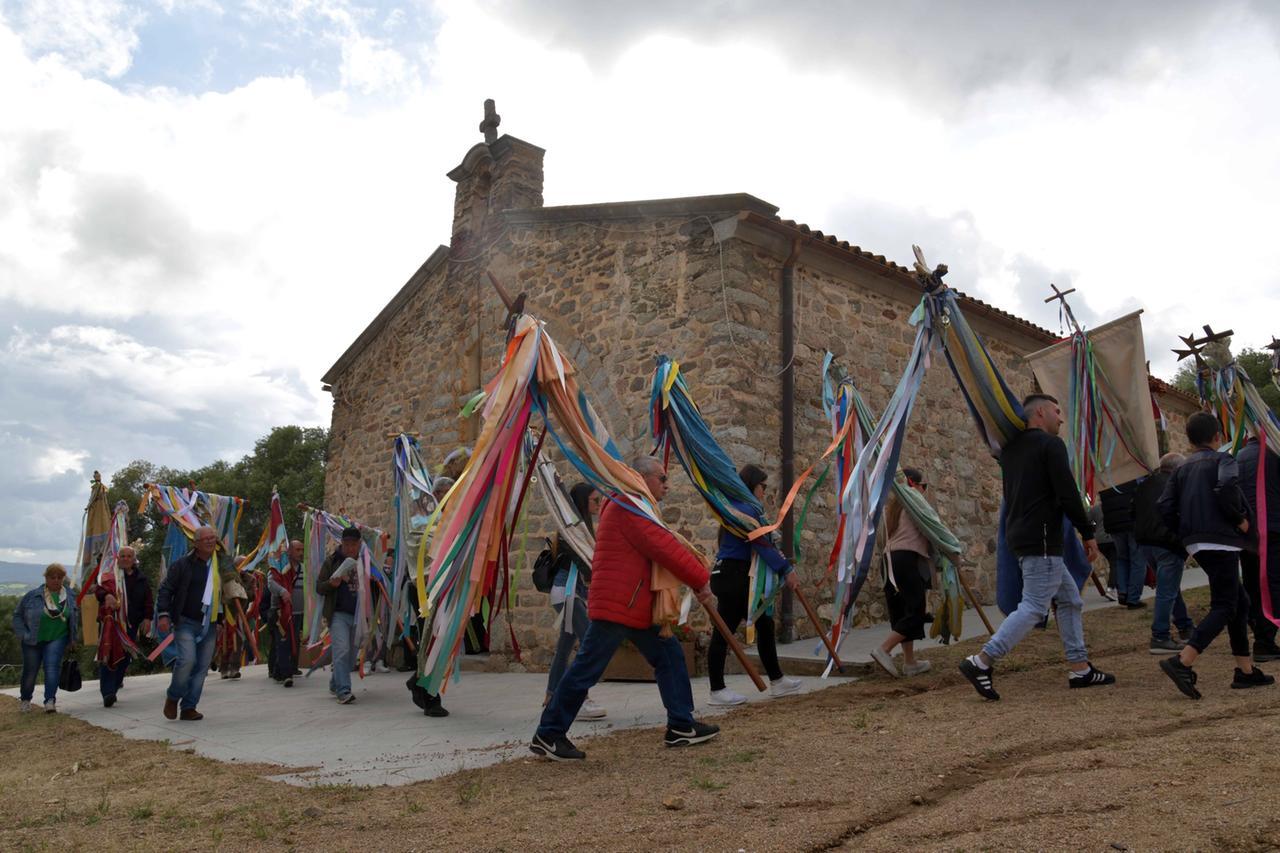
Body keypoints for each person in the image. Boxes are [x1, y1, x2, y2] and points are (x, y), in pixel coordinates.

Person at [531, 456, 719, 761]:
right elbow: (664, 547)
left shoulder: (631, 504)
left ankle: (681, 725)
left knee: (669, 655)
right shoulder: (629, 505)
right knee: (586, 669)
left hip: (634, 604)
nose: (667, 486)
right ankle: (549, 733)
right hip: (620, 604)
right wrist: (700, 579)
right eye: (662, 478)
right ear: (642, 478)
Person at [958, 394, 1116, 700]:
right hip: (1042, 538)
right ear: (1040, 413)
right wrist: (1087, 533)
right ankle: (982, 661)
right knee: (1033, 605)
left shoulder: (1010, 451)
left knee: (1070, 600)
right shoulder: (1049, 445)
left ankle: (1080, 667)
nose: (1060, 418)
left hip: (1020, 535)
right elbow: (1068, 493)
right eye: (1057, 412)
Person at [1158, 413, 1274, 698]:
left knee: (1240, 601)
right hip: (1221, 540)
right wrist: (1240, 520)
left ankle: (1245, 671)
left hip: (1197, 542)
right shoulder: (1224, 460)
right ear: (1218, 436)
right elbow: (1226, 488)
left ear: (1189, 439)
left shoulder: (1180, 470)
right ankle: (1183, 661)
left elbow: (1164, 506)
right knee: (1225, 604)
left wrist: (1184, 534)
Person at [706, 464, 802, 705]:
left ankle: (777, 680)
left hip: (738, 574)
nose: (764, 491)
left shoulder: (745, 509)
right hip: (733, 575)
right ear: (752, 486)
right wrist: (786, 569)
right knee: (724, 631)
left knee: (765, 625)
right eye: (763, 486)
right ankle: (717, 689)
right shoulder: (745, 509)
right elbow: (762, 543)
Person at [545, 483, 608, 719]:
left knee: (565, 645)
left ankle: (552, 694)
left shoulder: (580, 528)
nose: (598, 505)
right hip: (568, 593)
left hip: (572, 593)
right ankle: (577, 699)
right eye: (595, 501)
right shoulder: (571, 530)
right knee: (589, 643)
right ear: (583, 502)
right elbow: (586, 565)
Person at [871, 468, 935, 678]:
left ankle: (910, 662)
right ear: (912, 484)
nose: (923, 490)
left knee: (901, 611)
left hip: (889, 560)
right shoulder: (915, 500)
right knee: (916, 611)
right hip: (906, 559)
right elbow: (933, 527)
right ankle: (884, 649)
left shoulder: (894, 507)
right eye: (923, 486)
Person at [156, 526, 222, 721]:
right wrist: (164, 614)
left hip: (210, 624)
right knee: (187, 661)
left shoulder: (219, 565)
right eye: (206, 539)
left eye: (213, 538)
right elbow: (166, 589)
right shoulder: (182, 565)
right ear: (196, 543)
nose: (210, 541)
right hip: (185, 621)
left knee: (202, 667)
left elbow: (224, 594)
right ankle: (173, 696)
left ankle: (189, 707)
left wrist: (222, 621)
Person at [1134, 453, 1196, 654]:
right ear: (1178, 469)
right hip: (1167, 542)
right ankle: (1160, 636)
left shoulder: (1144, 485)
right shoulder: (1176, 485)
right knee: (1166, 591)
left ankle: (1185, 627)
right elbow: (1184, 515)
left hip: (1145, 542)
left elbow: (1132, 512)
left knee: (1169, 587)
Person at [13, 563, 79, 714]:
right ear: (46, 577)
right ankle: (25, 699)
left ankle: (50, 701)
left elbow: (74, 618)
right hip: (32, 640)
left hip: (57, 638)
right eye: (52, 577)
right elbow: (17, 615)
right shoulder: (33, 595)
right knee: (30, 671)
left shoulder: (69, 596)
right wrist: (22, 634)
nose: (56, 580)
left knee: (52, 668)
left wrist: (72, 638)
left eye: (59, 577)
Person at [1237, 433, 1280, 662]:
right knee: (1272, 585)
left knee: (1254, 585)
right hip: (1272, 530)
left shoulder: (1238, 455)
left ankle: (1261, 637)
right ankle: (1264, 641)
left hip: (1247, 534)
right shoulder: (1274, 454)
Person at [95, 545, 154, 706]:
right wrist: (107, 595)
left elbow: (148, 600)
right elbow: (99, 590)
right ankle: (107, 692)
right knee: (109, 654)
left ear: (134, 560)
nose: (126, 559)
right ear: (118, 558)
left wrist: (148, 618)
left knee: (125, 658)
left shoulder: (141, 578)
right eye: (123, 556)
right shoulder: (111, 575)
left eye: (129, 556)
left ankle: (114, 688)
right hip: (111, 622)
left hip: (131, 624)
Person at [317, 526, 362, 705]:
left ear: (359, 545)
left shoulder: (365, 561)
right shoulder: (332, 561)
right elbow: (319, 587)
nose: (350, 548)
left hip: (358, 615)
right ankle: (344, 691)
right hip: (338, 614)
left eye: (354, 544)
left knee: (351, 657)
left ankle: (336, 682)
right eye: (347, 544)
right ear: (342, 543)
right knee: (341, 650)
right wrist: (331, 584)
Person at [1100, 480, 1145, 608]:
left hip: (1113, 525)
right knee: (1138, 560)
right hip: (1132, 521)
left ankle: (1123, 592)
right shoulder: (1132, 477)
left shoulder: (1106, 481)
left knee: (1121, 558)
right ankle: (1133, 597)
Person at [267, 539, 305, 687]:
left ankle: (279, 671)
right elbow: (271, 584)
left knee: (292, 642)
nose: (301, 553)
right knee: (283, 642)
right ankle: (286, 674)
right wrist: (282, 591)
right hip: (281, 611)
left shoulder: (303, 567)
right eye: (297, 550)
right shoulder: (279, 566)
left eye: (302, 550)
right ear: (289, 551)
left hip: (297, 612)